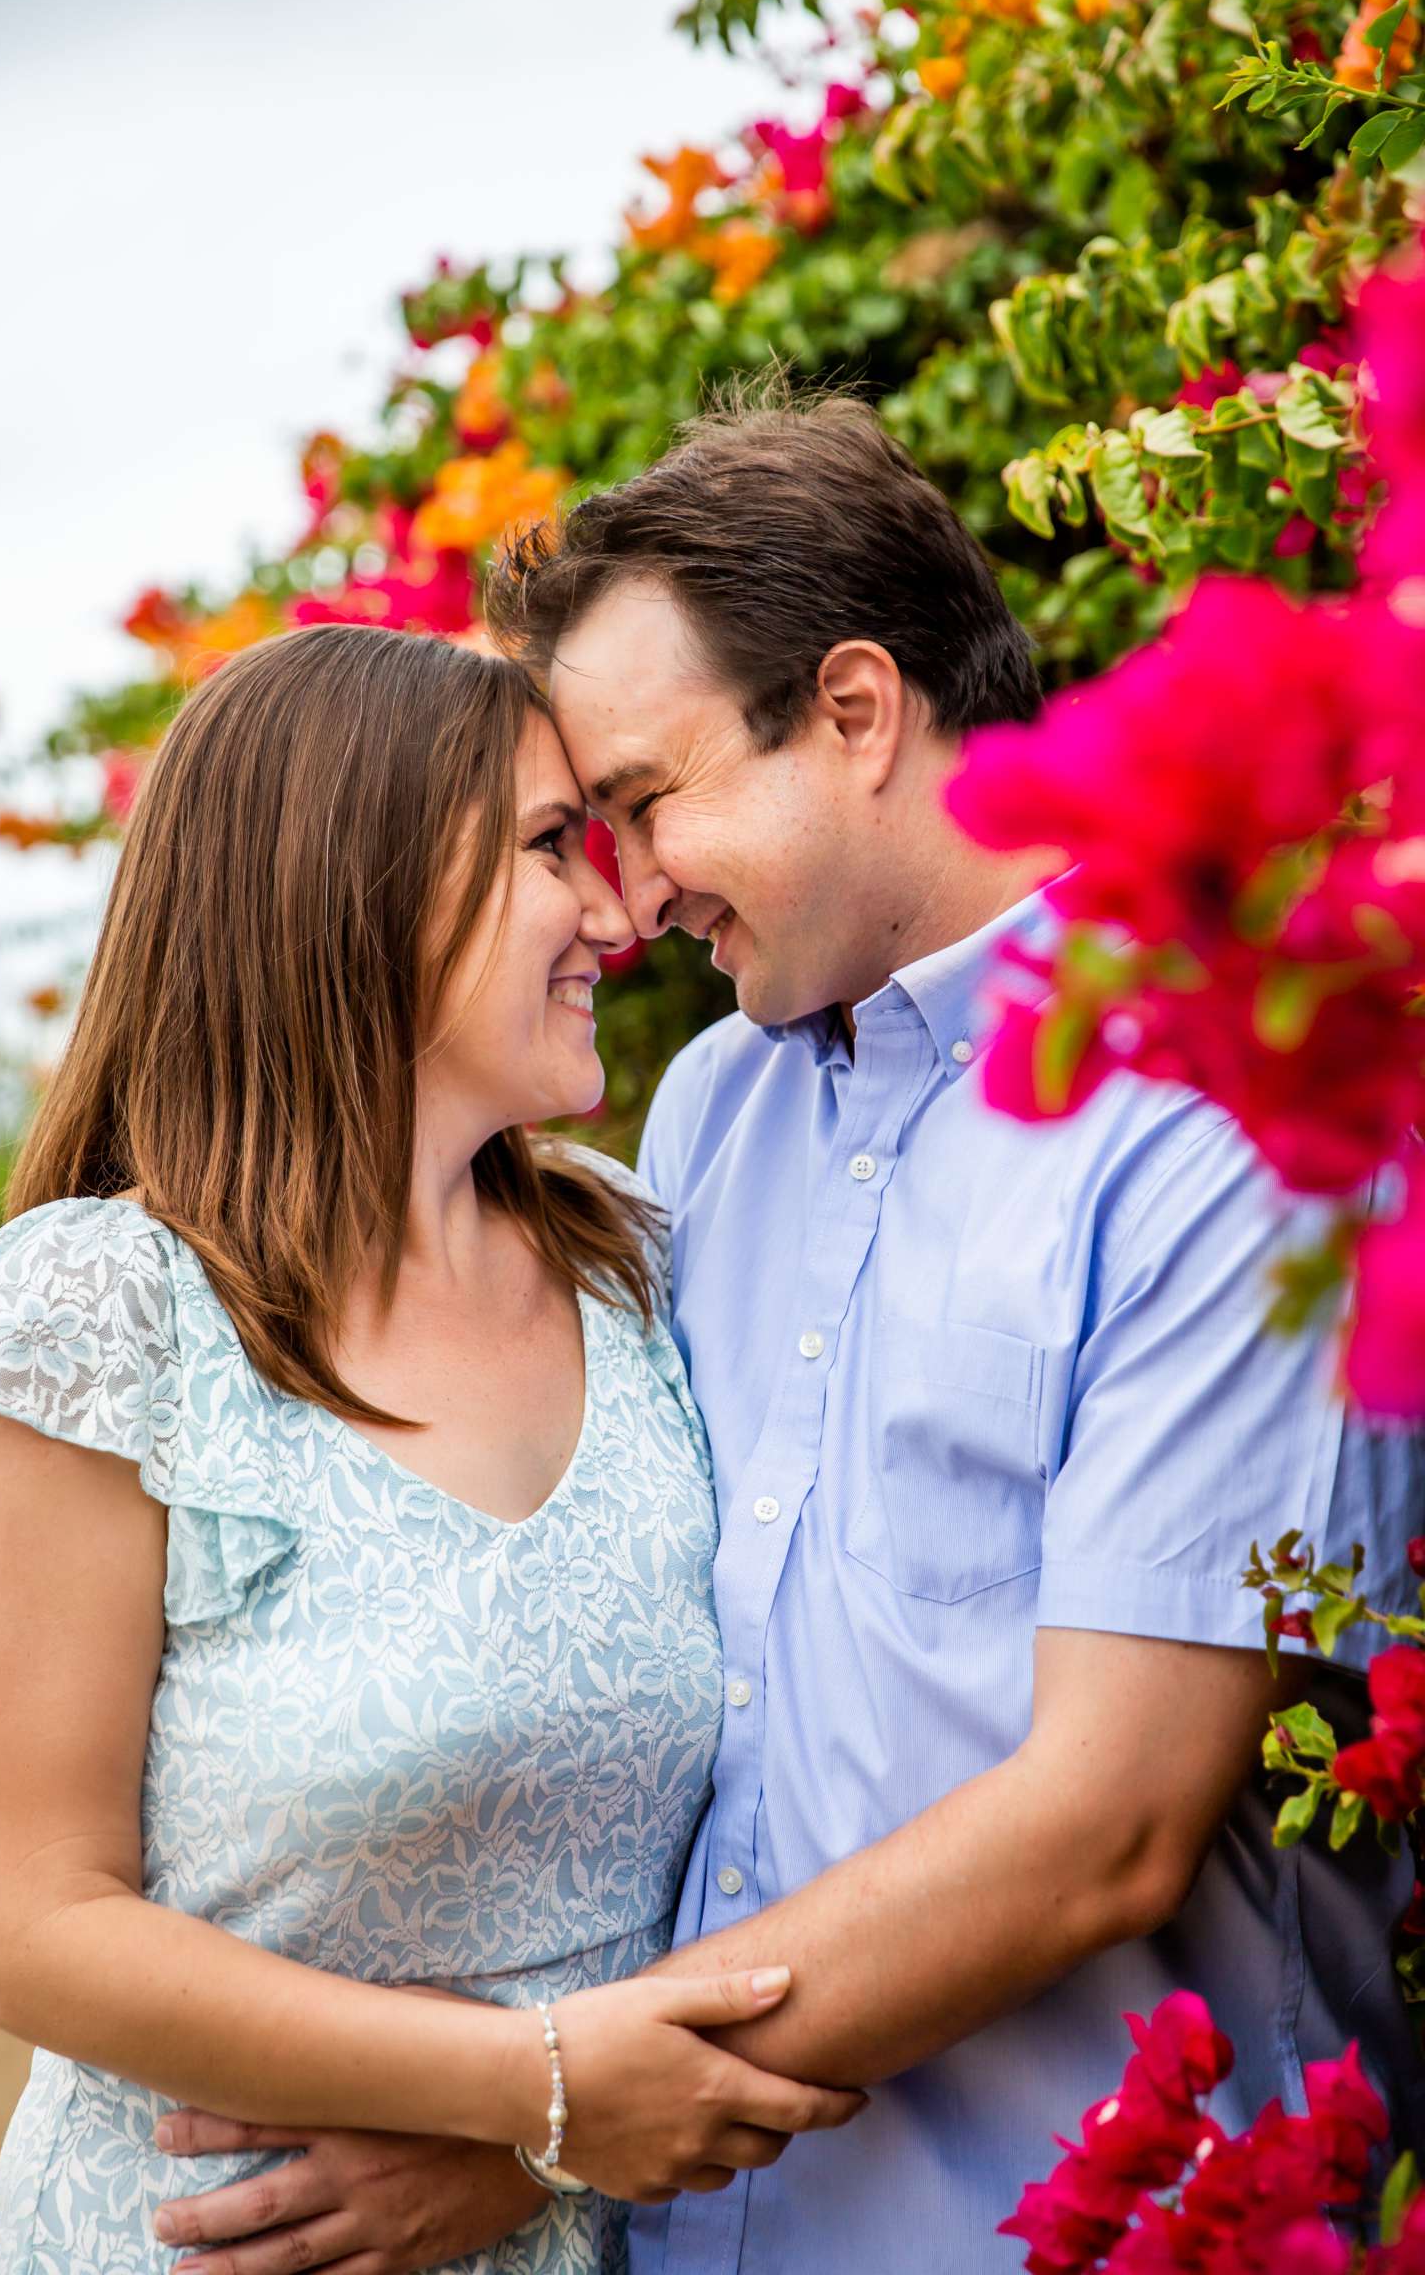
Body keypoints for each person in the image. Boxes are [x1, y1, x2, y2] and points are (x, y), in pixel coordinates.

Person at [162, 396, 1423, 2273]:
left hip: (1080, 2227)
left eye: (650, 803)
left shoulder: (1225, 1108)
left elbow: (1111, 1820)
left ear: (854, 713)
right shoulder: (709, 1126)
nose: (627, 889)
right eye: (586, 832)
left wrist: (542, 2135)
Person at [0, 623, 864, 2275]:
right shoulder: (97, 1312)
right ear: (363, 881)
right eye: (555, 847)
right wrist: (536, 2092)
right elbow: (29, 1926)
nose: (622, 913)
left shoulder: (638, 1261)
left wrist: (531, 2154)